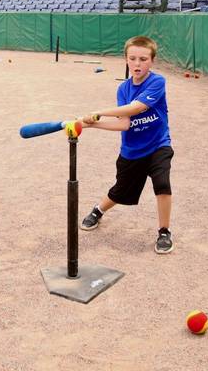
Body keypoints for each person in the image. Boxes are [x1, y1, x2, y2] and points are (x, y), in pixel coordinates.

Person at [78, 36, 175, 254]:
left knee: (162, 184)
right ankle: (98, 210)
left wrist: (99, 112)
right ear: (126, 60)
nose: (137, 63)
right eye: (133, 58)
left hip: (158, 145)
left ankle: (164, 231)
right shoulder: (123, 89)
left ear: (152, 61)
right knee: (119, 192)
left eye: (143, 59)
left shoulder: (157, 82)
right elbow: (124, 124)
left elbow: (134, 108)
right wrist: (94, 125)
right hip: (132, 151)